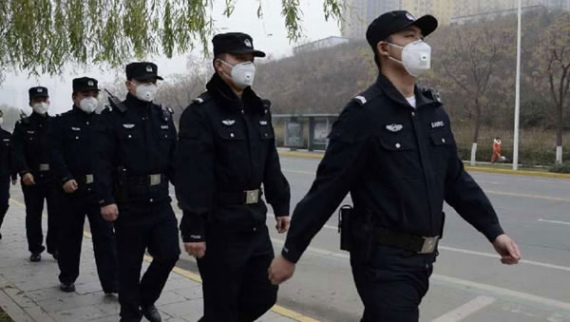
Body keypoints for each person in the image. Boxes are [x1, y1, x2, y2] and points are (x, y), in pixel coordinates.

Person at [268, 11, 521, 322]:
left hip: (424, 259)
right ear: (384, 48)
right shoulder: (364, 113)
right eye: (409, 36)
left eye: (421, 36)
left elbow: (455, 180)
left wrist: (494, 232)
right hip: (382, 260)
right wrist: (290, 253)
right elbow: (327, 190)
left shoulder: (433, 110)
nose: (420, 43)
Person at [176, 32, 291, 322]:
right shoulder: (201, 113)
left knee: (265, 292)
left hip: (254, 220)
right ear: (219, 65)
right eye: (239, 59)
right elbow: (192, 176)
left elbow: (271, 163)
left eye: (250, 59)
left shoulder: (259, 109)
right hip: (219, 227)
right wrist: (193, 229)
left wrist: (281, 205)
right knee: (221, 305)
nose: (247, 65)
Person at [93, 62, 180, 322]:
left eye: (153, 82)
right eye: (143, 82)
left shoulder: (163, 117)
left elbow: (175, 162)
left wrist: (190, 196)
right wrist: (106, 200)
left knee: (169, 254)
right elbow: (101, 163)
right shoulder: (111, 118)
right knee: (129, 266)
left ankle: (145, 299)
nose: (149, 87)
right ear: (129, 84)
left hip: (160, 201)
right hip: (128, 203)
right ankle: (130, 315)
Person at [49, 77, 119, 293]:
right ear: (75, 97)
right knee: (70, 236)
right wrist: (64, 178)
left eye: (93, 95)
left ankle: (111, 283)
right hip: (72, 190)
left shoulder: (104, 122)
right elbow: (54, 153)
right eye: (85, 95)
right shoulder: (61, 123)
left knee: (106, 238)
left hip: (99, 190)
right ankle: (68, 277)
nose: (91, 99)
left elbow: (113, 156)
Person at [12, 87, 60, 262]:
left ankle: (54, 246)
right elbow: (17, 152)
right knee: (33, 214)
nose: (40, 103)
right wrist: (24, 171)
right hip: (31, 177)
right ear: (30, 102)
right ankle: (35, 248)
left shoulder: (56, 124)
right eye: (36, 100)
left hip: (53, 177)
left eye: (43, 99)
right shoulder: (23, 126)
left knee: (56, 213)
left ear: (48, 101)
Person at [0, 109, 18, 240]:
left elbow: (12, 156)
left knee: (3, 203)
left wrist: (14, 174)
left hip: (3, 176)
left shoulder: (7, 136)